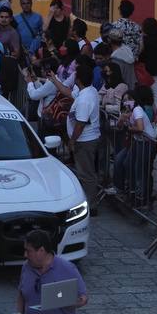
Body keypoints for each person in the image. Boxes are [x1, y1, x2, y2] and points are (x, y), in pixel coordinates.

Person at [67, 61, 100, 212]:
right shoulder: (89, 91)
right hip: (86, 139)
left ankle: (91, 206)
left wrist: (72, 141)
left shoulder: (85, 98)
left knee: (86, 174)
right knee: (86, 172)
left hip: (84, 141)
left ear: (78, 80)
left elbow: (80, 123)